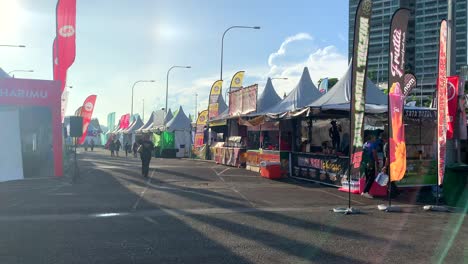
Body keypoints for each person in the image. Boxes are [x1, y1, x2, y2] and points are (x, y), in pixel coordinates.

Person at [361, 134, 379, 199]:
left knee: (368, 177)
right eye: (374, 137)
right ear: (371, 137)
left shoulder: (365, 144)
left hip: (365, 162)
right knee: (371, 178)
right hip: (370, 162)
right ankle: (365, 191)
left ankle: (366, 191)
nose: (375, 138)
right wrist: (377, 161)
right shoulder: (372, 144)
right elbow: (374, 153)